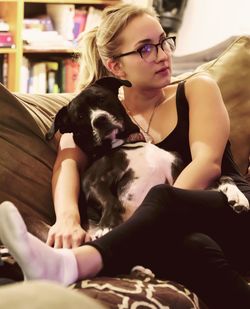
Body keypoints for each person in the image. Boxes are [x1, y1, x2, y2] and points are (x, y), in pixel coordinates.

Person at [0, 3, 250, 309]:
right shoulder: (100, 111)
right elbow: (66, 164)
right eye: (145, 49)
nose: (162, 55)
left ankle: (70, 265)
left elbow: (207, 164)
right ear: (116, 67)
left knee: (164, 197)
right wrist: (67, 219)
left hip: (233, 207)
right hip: (197, 234)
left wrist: (146, 226)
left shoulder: (196, 89)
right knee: (193, 247)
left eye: (163, 41)